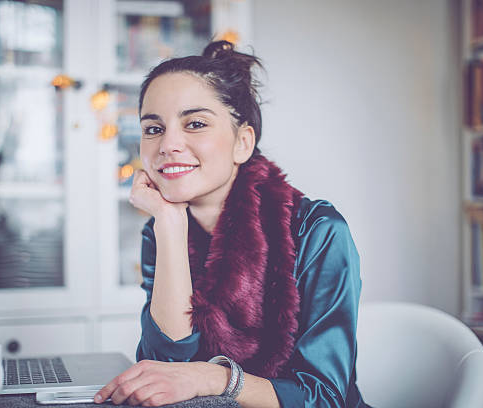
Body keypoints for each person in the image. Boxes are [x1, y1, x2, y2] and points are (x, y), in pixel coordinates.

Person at [94, 40, 368, 408]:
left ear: (243, 143)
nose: (168, 144)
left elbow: (324, 398)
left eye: (195, 123)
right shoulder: (160, 228)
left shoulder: (317, 231)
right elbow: (165, 366)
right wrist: (170, 225)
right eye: (153, 129)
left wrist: (213, 377)